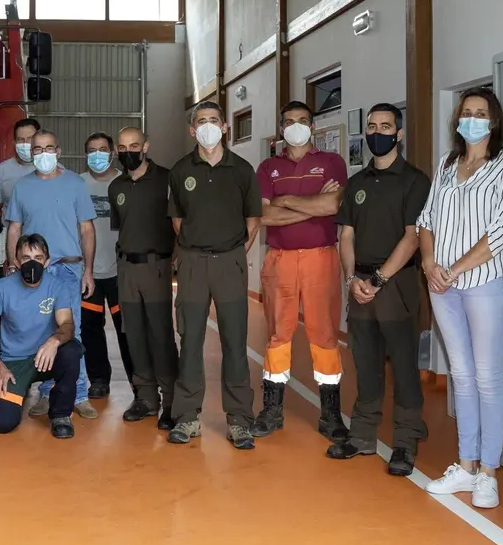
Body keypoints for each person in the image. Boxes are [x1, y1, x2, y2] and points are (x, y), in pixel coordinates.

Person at [419, 88, 503, 509]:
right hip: (441, 284)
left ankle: (489, 473)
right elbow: (425, 219)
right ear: (457, 120)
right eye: (467, 113)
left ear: (493, 121)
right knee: (460, 376)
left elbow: (501, 232)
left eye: (481, 114)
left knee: (487, 376)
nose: (473, 119)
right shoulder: (447, 165)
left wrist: (454, 269)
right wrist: (429, 263)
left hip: (483, 283)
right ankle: (465, 465)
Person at [327, 103, 430, 475]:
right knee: (366, 364)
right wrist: (352, 278)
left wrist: (379, 279)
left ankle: (404, 443)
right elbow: (346, 235)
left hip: (397, 284)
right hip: (361, 288)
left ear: (399, 134)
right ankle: (362, 436)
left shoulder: (415, 181)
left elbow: (412, 238)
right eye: (371, 126)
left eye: (386, 126)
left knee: (403, 367)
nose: (377, 132)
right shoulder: (356, 184)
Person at [253, 101, 348, 443]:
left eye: (303, 121)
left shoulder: (331, 162)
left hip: (321, 258)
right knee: (279, 334)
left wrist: (286, 201)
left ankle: (331, 414)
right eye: (290, 122)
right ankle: (271, 410)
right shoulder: (267, 167)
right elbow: (264, 217)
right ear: (281, 128)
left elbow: (333, 206)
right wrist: (312, 208)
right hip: (280, 259)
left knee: (324, 334)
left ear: (313, 126)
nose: (296, 126)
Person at [168, 100, 260, 450]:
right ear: (192, 130)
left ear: (225, 127)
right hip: (191, 263)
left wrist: (231, 253)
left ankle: (239, 421)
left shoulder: (242, 170)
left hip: (229, 262)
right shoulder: (180, 171)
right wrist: (197, 248)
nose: (207, 126)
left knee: (235, 342)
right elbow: (178, 222)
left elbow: (253, 222)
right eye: (200, 121)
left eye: (214, 120)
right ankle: (187, 417)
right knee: (189, 340)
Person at [6, 128, 96, 419]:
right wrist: (12, 263)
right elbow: (15, 228)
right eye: (37, 149)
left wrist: (88, 271)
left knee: (71, 332)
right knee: (42, 331)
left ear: (58, 152)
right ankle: (47, 392)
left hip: (68, 269)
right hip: (34, 271)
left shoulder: (75, 184)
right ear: (31, 154)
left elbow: (86, 229)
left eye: (48, 149)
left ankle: (79, 394)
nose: (42, 154)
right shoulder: (22, 187)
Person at [0, 234, 85, 439]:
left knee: (71, 350)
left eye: (38, 258)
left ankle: (61, 415)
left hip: (46, 358)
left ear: (47, 262)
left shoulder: (57, 286)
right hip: (13, 363)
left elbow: (67, 324)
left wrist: (54, 341)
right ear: (16, 260)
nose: (32, 263)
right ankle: (18, 392)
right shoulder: (3, 287)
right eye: (26, 258)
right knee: (2, 423)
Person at [109, 127, 180, 429]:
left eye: (134, 146)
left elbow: (180, 223)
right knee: (133, 334)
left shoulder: (167, 180)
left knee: (160, 335)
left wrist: (174, 260)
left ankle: (172, 400)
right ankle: (147, 398)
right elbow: (122, 227)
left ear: (146, 146)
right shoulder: (116, 187)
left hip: (156, 266)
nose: (129, 152)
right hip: (126, 267)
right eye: (123, 147)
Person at [79, 132, 134, 400]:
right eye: (92, 150)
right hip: (87, 272)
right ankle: (99, 379)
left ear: (113, 153)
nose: (97, 155)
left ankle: (139, 383)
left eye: (102, 149)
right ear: (85, 154)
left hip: (120, 271)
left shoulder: (125, 182)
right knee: (90, 329)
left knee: (128, 328)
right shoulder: (76, 184)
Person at [0, 117, 41, 221]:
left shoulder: (55, 169)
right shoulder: (2, 170)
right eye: (21, 140)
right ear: (14, 142)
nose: (25, 143)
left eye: (30, 138)